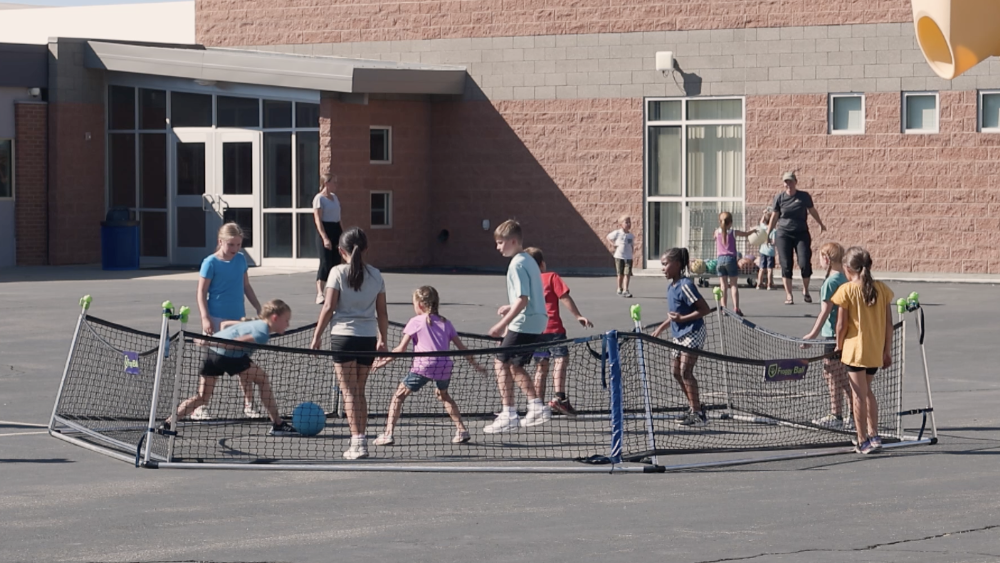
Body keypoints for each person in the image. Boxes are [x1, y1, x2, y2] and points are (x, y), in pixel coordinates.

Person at [371, 286, 485, 446]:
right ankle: (462, 430)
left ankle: (388, 434)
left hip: (424, 366)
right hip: (444, 366)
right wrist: (476, 365)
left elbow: (401, 349)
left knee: (398, 396)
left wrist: (383, 361)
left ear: (420, 305)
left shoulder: (415, 322)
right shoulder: (446, 323)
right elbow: (462, 348)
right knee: (443, 395)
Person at [310, 227, 388, 460]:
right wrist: (382, 338)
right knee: (358, 391)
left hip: (343, 338)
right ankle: (359, 438)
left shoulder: (336, 272)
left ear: (340, 250)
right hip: (367, 339)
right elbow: (382, 312)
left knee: (349, 392)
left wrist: (316, 336)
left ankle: (358, 443)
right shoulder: (376, 274)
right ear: (365, 249)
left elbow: (328, 306)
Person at [164, 300, 297, 436]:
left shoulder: (255, 322)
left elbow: (224, 324)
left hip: (210, 353)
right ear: (275, 318)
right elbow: (235, 343)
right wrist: (210, 341)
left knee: (202, 397)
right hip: (226, 355)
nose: (288, 324)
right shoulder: (262, 333)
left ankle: (168, 423)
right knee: (262, 379)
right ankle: (278, 424)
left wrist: (210, 342)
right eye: (286, 320)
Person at [484, 219, 550, 433]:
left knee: (499, 361)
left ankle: (509, 413)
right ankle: (535, 406)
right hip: (537, 320)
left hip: (525, 321)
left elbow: (523, 299)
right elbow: (526, 297)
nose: (497, 247)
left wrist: (501, 325)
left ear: (513, 241)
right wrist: (509, 307)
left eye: (501, 242)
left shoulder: (517, 264)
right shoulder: (529, 260)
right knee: (514, 365)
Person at [195, 222, 263, 420]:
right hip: (216, 320)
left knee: (243, 362)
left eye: (238, 244)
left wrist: (259, 307)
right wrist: (205, 317)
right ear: (220, 242)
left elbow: (246, 287)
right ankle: (201, 406)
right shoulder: (210, 262)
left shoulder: (241, 260)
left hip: (238, 321)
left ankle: (249, 405)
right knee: (212, 365)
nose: (235, 249)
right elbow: (201, 292)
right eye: (231, 245)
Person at [830, 247, 894, 455]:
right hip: (874, 350)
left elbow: (841, 325)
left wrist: (838, 346)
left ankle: (862, 440)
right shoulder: (882, 289)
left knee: (858, 395)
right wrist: (887, 351)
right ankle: (874, 436)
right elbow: (888, 324)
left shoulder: (847, 290)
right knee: (867, 392)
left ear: (848, 269)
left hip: (855, 351)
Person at [523, 247, 593, 416]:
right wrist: (578, 316)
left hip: (536, 331)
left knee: (541, 366)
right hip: (553, 329)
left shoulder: (526, 282)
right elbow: (564, 297)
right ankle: (559, 398)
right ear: (542, 264)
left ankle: (537, 404)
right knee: (561, 359)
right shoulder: (551, 277)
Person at [651, 248, 712, 427]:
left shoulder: (686, 285)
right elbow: (673, 315)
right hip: (678, 334)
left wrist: (683, 319)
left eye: (665, 264)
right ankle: (695, 407)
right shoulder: (671, 287)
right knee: (676, 373)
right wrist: (660, 329)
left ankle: (698, 415)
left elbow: (704, 309)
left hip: (693, 331)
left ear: (677, 265)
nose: (663, 268)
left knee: (686, 371)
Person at [802, 242, 852, 430]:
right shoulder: (844, 279)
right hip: (844, 335)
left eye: (821, 257)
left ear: (827, 259)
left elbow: (825, 312)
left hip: (833, 337)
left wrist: (812, 335)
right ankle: (847, 414)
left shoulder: (831, 282)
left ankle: (838, 414)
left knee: (833, 375)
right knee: (840, 375)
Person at [765, 172, 827, 305]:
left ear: (795, 182)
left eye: (790, 181)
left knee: (804, 262)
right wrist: (768, 233)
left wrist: (820, 223)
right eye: (786, 182)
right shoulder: (779, 198)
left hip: (801, 233)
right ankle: (789, 295)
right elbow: (774, 217)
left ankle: (806, 290)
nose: (788, 184)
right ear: (783, 184)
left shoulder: (803, 196)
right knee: (786, 264)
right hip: (783, 234)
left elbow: (812, 211)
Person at [714, 211, 754, 316]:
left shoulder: (716, 232)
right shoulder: (733, 232)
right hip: (730, 259)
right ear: (730, 222)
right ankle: (736, 308)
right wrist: (753, 231)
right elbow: (746, 234)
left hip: (720, 259)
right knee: (733, 285)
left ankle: (723, 308)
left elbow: (715, 238)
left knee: (723, 285)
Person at [313, 173, 343, 305]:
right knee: (325, 262)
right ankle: (320, 293)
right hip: (325, 230)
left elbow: (338, 218)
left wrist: (343, 234)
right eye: (333, 182)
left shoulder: (335, 198)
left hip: (336, 229)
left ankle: (333, 292)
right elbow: (318, 220)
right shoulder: (319, 199)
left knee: (336, 262)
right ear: (326, 183)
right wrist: (325, 237)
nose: (336, 185)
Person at [606, 216, 636, 298]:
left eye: (629, 222)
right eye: (626, 222)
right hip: (619, 257)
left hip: (628, 257)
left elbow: (631, 245)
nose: (628, 224)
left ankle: (626, 290)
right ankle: (619, 288)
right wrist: (613, 245)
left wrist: (632, 253)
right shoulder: (617, 233)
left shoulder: (631, 236)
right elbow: (608, 237)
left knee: (627, 273)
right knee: (620, 274)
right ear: (621, 224)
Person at [755, 210, 776, 291]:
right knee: (769, 269)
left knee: (761, 268)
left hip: (762, 250)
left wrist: (764, 214)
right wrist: (769, 241)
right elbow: (774, 242)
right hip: (770, 251)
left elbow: (761, 221)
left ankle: (759, 284)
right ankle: (769, 285)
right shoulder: (773, 231)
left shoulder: (762, 227)